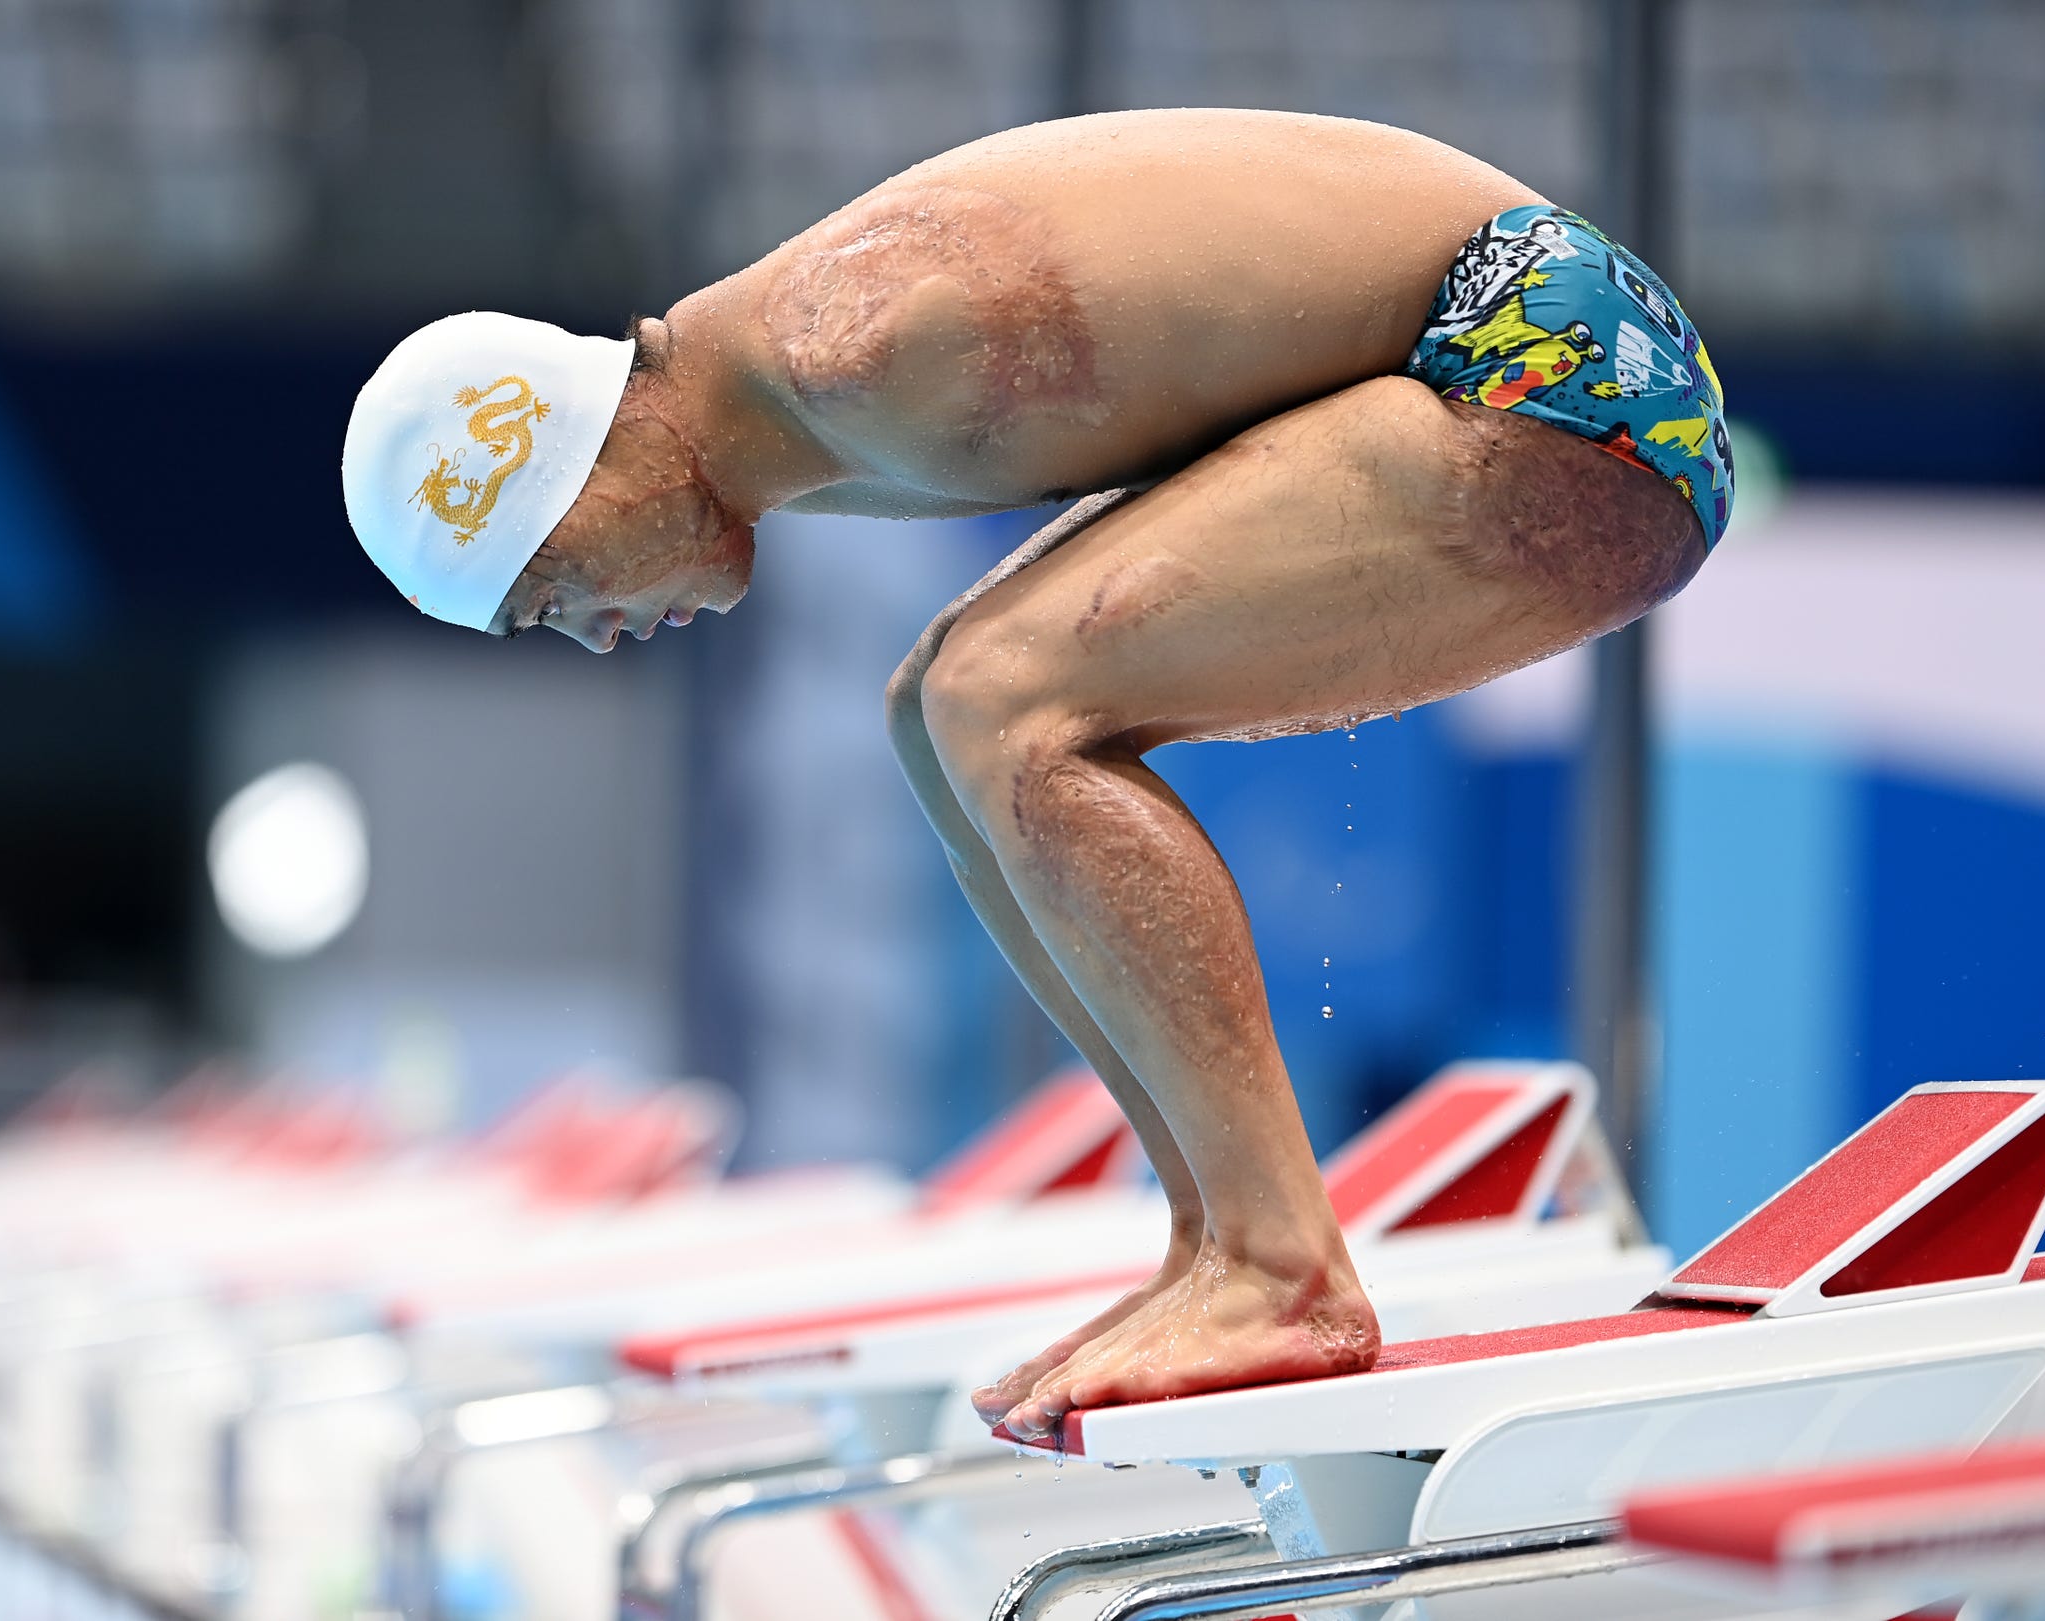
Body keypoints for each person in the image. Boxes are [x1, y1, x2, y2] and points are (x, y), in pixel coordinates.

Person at [342, 109, 1731, 1442]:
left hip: (1561, 378)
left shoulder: (867, 347)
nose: (593, 634)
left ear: (568, 468)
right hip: (1536, 355)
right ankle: (1216, 1238)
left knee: (998, 701)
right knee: (935, 714)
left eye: (547, 593)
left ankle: (1277, 1259)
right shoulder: (794, 399)